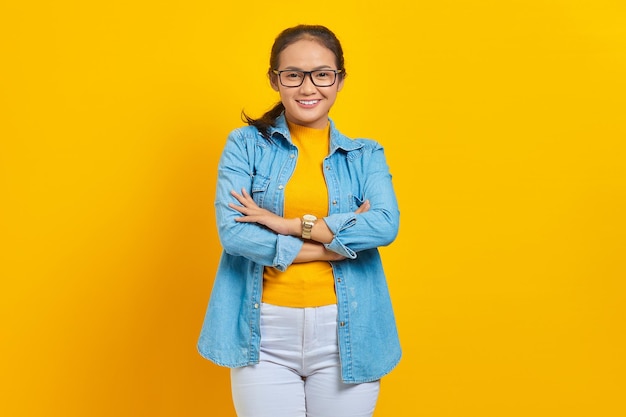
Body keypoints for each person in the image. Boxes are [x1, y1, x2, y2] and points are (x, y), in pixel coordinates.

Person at [197, 24, 401, 417]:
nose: (308, 88)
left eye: (322, 74)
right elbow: (234, 234)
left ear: (339, 80)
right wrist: (333, 248)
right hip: (264, 335)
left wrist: (286, 224)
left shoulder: (366, 155)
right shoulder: (245, 146)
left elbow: (384, 225)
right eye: (293, 75)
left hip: (348, 333)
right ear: (276, 80)